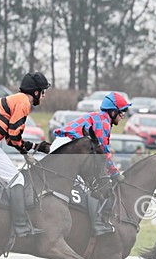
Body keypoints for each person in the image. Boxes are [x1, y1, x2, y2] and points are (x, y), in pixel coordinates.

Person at [0, 72, 52, 238]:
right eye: (42, 92)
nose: (43, 97)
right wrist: (25, 152)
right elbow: (14, 138)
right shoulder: (23, 102)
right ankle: (20, 225)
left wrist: (35, 146)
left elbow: (10, 139)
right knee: (17, 179)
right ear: (35, 92)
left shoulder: (16, 99)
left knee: (0, 181)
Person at [52, 91, 131, 235]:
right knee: (92, 186)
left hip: (68, 146)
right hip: (67, 147)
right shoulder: (103, 122)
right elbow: (103, 154)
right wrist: (115, 173)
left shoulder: (103, 119)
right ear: (113, 112)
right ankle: (96, 224)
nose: (123, 115)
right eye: (122, 111)